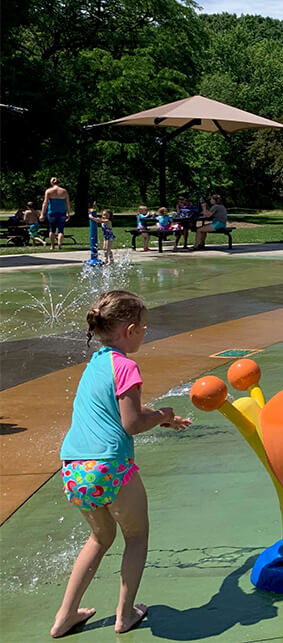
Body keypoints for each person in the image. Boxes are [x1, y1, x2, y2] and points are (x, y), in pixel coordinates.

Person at [51, 291, 191, 637]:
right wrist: (157, 415)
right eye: (144, 328)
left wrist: (160, 418)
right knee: (137, 536)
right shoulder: (126, 366)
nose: (146, 332)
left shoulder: (97, 362)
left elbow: (120, 414)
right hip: (110, 466)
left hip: (74, 468)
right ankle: (125, 615)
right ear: (129, 330)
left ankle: (65, 616)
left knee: (100, 537)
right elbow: (131, 424)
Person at [41, 177, 70, 251]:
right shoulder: (64, 191)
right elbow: (67, 203)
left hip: (52, 212)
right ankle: (59, 244)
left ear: (51, 183)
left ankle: (52, 245)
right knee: (61, 230)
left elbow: (45, 203)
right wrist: (68, 212)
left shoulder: (49, 191)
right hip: (62, 212)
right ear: (59, 183)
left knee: (52, 229)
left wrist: (42, 214)